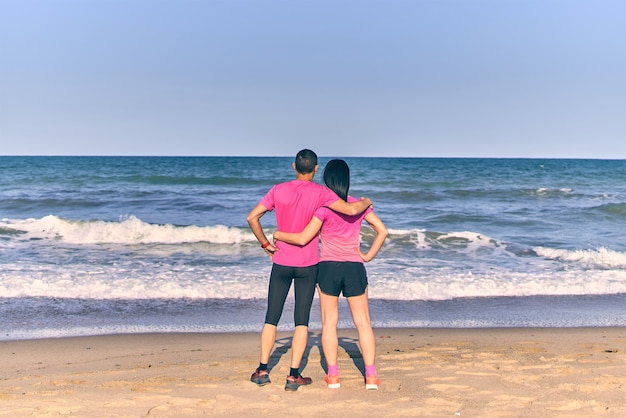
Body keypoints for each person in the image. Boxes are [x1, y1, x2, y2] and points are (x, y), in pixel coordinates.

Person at [246, 149, 372, 391]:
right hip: (308, 265)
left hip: (281, 261)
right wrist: (366, 201)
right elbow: (352, 210)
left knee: (271, 317)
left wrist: (266, 244)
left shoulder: (278, 189)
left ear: (294, 166)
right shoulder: (322, 192)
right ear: (315, 169)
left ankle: (262, 370)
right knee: (301, 321)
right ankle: (293, 376)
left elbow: (252, 217)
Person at [273, 159, 387, 390]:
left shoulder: (323, 207)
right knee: (363, 323)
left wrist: (277, 235)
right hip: (354, 267)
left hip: (327, 268)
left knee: (329, 323)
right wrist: (367, 256)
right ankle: (371, 377)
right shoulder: (358, 204)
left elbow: (305, 237)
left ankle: (333, 376)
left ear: (326, 179)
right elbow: (382, 231)